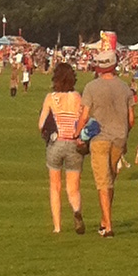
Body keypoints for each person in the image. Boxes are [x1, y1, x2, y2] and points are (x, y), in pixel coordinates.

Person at [79, 54, 135, 237]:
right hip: (119, 138)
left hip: (99, 139)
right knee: (110, 179)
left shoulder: (91, 87)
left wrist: (77, 134)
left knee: (103, 181)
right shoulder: (125, 87)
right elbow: (131, 119)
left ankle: (108, 226)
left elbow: (85, 115)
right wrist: (125, 135)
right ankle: (104, 220)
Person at [37, 60, 88, 235]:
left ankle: (57, 226)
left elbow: (41, 124)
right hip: (74, 143)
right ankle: (76, 211)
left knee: (55, 186)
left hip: (56, 143)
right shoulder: (78, 97)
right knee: (73, 187)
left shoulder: (51, 98)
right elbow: (84, 119)